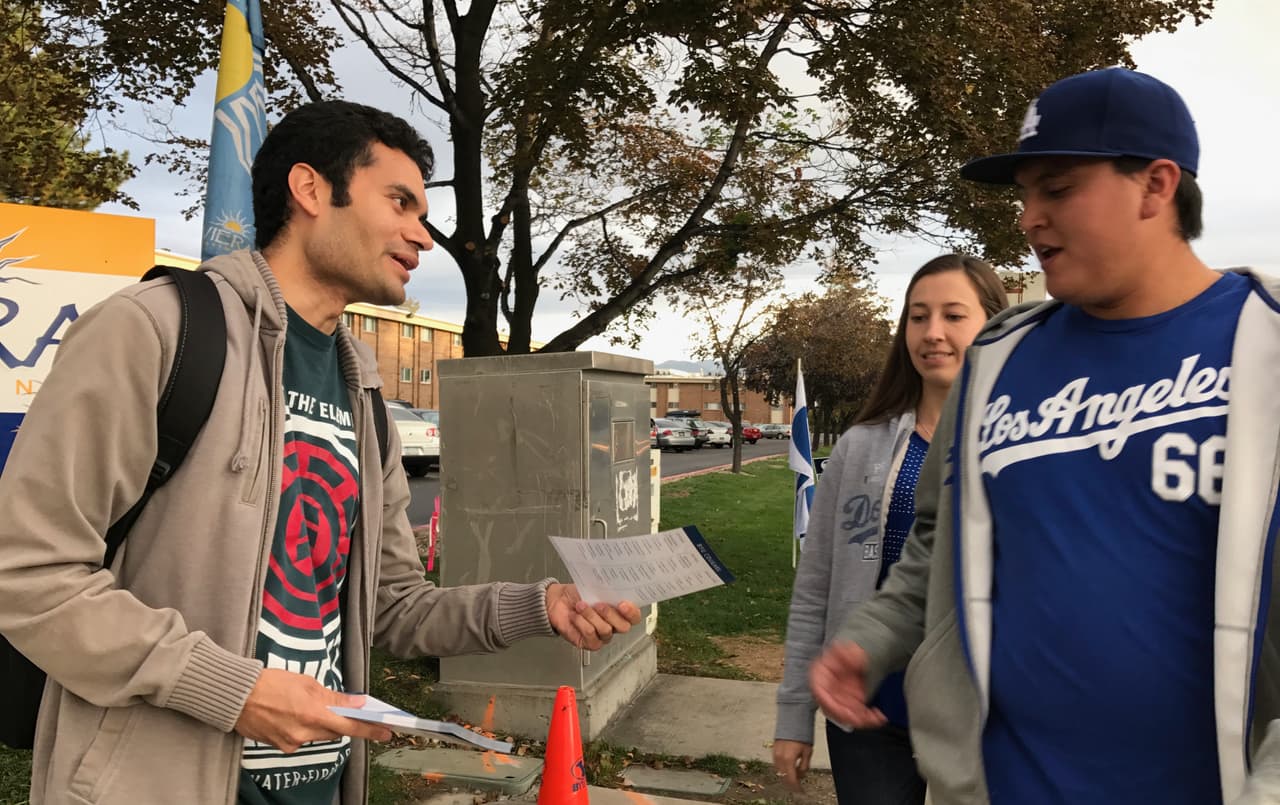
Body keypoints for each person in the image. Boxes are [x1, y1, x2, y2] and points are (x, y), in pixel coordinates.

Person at [0, 100, 641, 805]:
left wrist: (540, 604)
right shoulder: (154, 331)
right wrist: (232, 690)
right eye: (399, 202)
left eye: (422, 213)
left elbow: (393, 606)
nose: (421, 236)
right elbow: (29, 571)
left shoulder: (362, 387)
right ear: (309, 190)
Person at [809, 67, 1280, 805]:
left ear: (1156, 186)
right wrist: (873, 635)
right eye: (1025, 194)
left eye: (1057, 190)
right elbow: (936, 544)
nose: (1029, 217)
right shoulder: (998, 360)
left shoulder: (1266, 347)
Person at [773, 254, 1008, 804]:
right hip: (869, 706)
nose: (932, 333)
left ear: (993, 323)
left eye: (954, 316)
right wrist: (792, 715)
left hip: (980, 713)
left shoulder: (1017, 447)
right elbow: (815, 588)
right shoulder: (861, 447)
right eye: (917, 316)